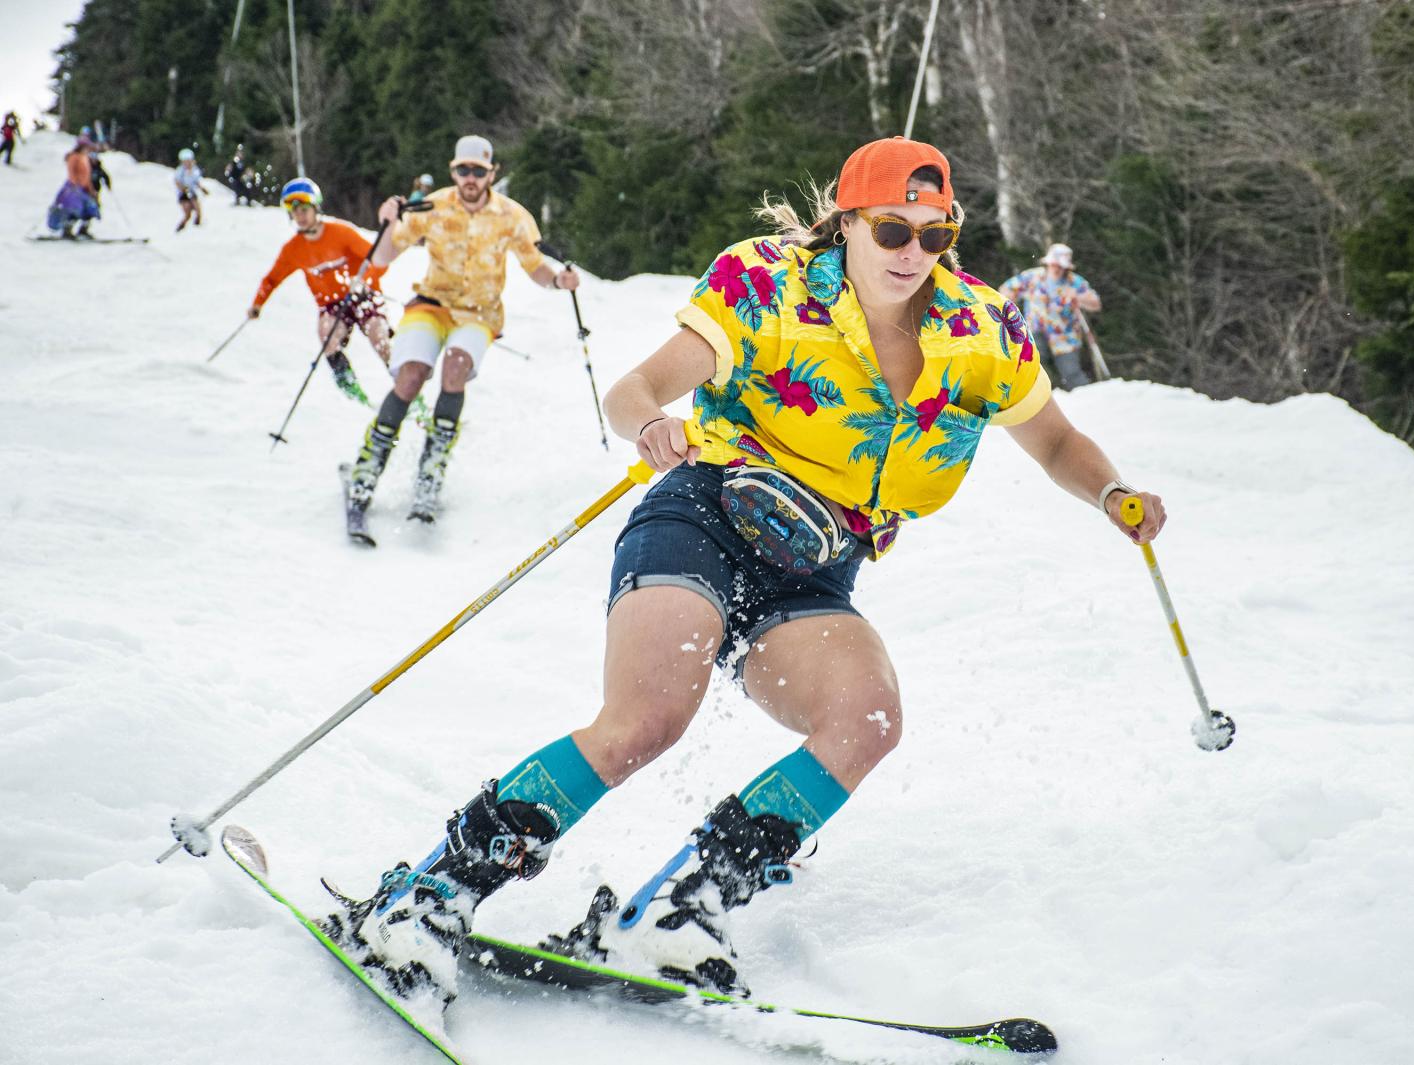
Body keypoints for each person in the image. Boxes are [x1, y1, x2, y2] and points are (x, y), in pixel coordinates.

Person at [317, 135, 1166, 1011]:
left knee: (866, 719)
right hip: (706, 516)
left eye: (934, 235)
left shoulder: (979, 328)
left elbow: (1056, 440)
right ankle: (426, 898)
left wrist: (1113, 493)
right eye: (891, 230)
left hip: (817, 567)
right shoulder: (767, 283)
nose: (913, 252)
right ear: (847, 222)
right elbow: (634, 389)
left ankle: (681, 910)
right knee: (647, 720)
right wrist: (652, 424)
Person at [344, 134, 579, 521]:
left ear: (492, 174)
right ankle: (368, 466)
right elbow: (384, 256)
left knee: (455, 367)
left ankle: (432, 469)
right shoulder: (432, 206)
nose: (471, 178)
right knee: (411, 375)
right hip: (430, 304)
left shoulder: (512, 216)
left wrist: (557, 280)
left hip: (479, 314)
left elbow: (535, 264)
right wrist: (387, 222)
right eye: (464, 170)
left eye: (478, 171)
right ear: (453, 171)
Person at [248, 177, 392, 404]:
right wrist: (258, 303)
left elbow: (379, 260)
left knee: (379, 336)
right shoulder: (293, 249)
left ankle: (407, 389)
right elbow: (272, 278)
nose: (300, 217)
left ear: (316, 208)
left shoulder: (341, 233)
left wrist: (364, 279)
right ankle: (353, 393)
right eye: (295, 212)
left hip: (363, 295)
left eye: (304, 210)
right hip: (332, 304)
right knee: (327, 336)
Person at [999, 243, 1102, 391]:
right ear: (1048, 263)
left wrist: (1078, 297)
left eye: (1060, 266)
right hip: (1035, 330)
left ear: (1066, 267)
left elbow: (1096, 303)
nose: (1056, 268)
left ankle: (1087, 397)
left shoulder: (1074, 282)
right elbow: (1005, 289)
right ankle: (1037, 396)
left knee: (1071, 373)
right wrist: (1009, 301)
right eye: (1053, 264)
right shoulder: (1032, 277)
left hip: (1064, 336)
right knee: (1031, 366)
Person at [47, 140, 100, 238]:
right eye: (87, 147)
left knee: (90, 208)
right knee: (75, 209)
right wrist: (75, 184)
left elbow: (87, 176)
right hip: (74, 188)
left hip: (84, 188)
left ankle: (83, 229)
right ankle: (67, 229)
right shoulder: (74, 156)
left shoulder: (85, 157)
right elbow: (72, 172)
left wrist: (91, 190)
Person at [174, 148, 207, 231]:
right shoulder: (180, 170)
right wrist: (182, 189)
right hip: (183, 193)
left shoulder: (194, 169)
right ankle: (181, 226)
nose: (188, 163)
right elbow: (177, 181)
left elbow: (196, 181)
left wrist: (202, 189)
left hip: (191, 192)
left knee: (197, 208)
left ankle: (198, 225)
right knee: (188, 213)